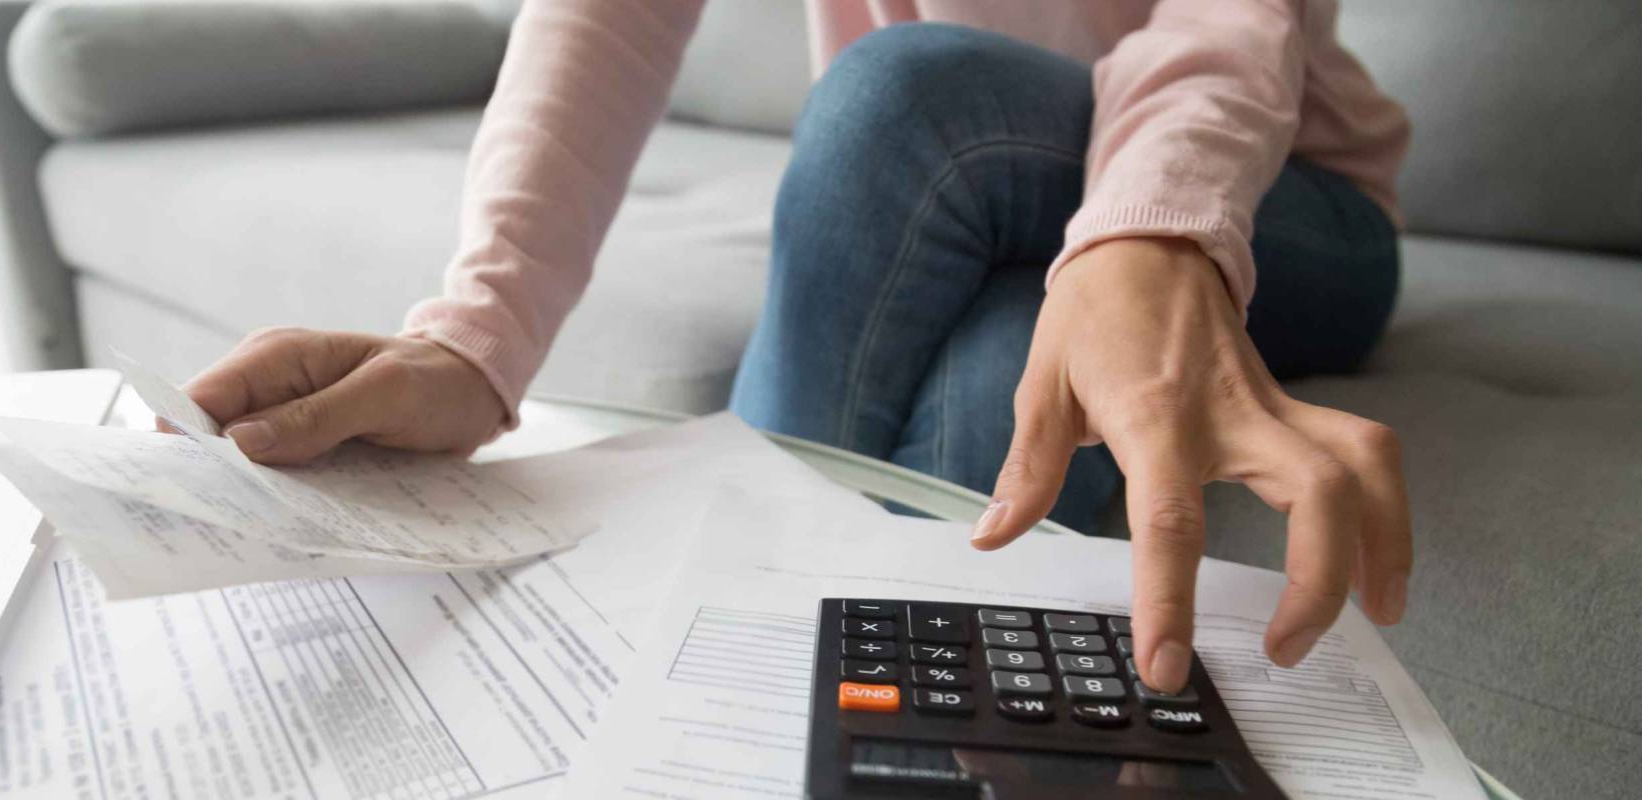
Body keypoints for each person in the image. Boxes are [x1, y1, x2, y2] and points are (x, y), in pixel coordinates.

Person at [171, 1, 1413, 695]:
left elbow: (1231, 25)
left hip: (1279, 192)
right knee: (1000, 379)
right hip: (986, 217)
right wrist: (473, 343)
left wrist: (1146, 243)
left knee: (898, 89)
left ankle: (713, 673)